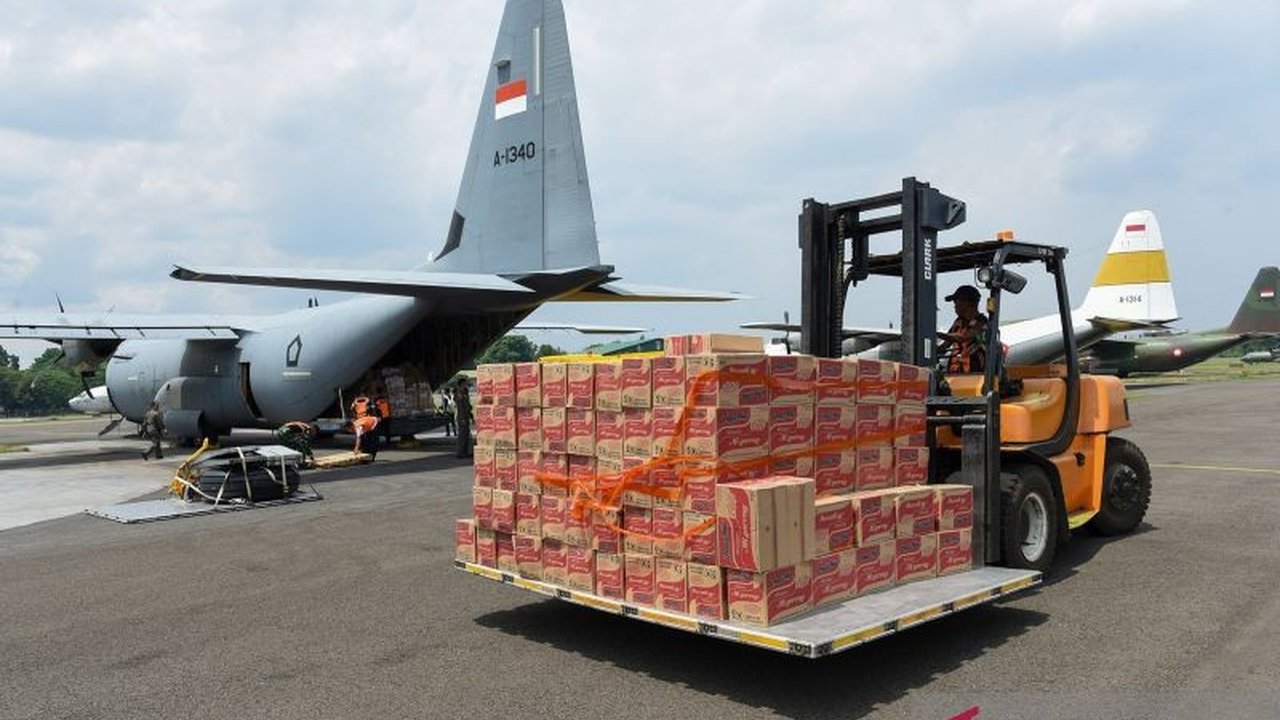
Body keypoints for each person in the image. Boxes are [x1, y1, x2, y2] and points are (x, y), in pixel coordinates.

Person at [939, 284, 989, 373]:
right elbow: (945, 345)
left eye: (956, 302)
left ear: (969, 303)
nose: (954, 306)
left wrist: (933, 333)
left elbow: (963, 337)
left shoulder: (982, 322)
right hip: (954, 375)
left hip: (975, 375)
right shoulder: (958, 322)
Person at [452, 380, 473, 459]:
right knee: (462, 435)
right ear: (461, 385)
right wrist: (462, 418)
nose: (466, 385)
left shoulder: (465, 392)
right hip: (462, 417)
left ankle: (466, 451)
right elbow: (460, 407)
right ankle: (460, 452)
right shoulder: (459, 393)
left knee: (467, 434)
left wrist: (471, 416)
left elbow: (467, 405)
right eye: (465, 384)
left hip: (466, 416)